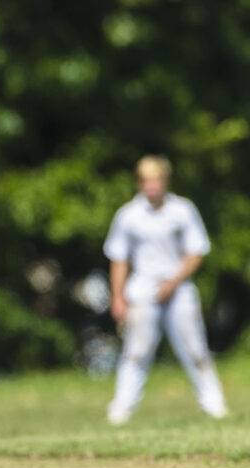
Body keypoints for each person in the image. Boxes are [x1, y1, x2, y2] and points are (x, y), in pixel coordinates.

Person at [103, 155, 228, 425]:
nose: (151, 186)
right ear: (139, 183)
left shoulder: (182, 210)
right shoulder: (128, 216)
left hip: (178, 287)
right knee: (137, 350)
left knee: (195, 349)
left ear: (165, 181)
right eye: (146, 180)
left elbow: (196, 252)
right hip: (143, 290)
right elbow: (119, 259)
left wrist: (173, 282)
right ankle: (121, 410)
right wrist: (118, 296)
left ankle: (214, 405)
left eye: (156, 179)